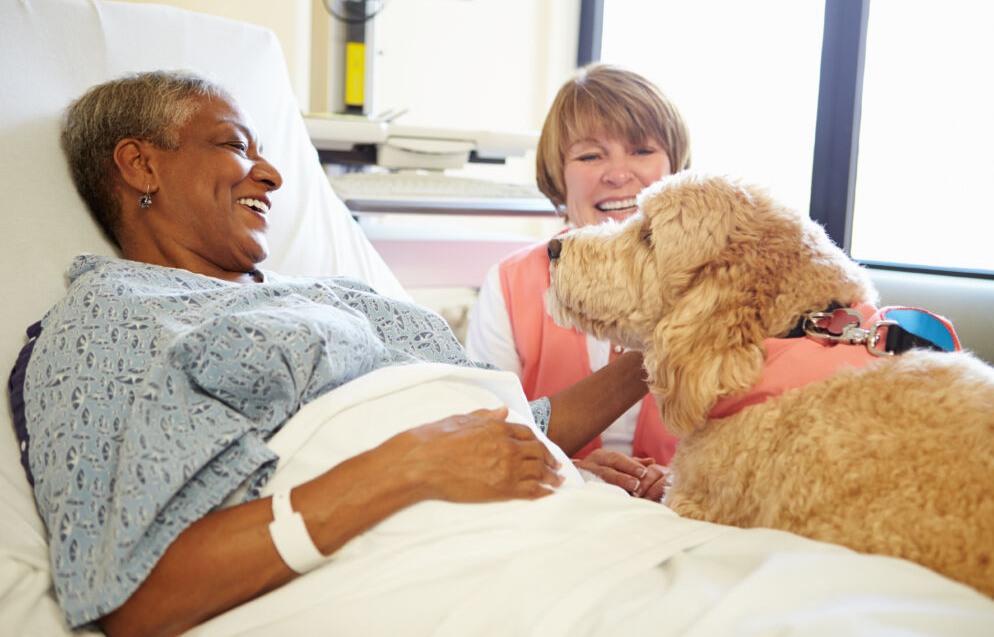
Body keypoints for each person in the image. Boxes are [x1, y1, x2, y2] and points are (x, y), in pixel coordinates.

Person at [16, 71, 664, 637]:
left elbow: (518, 426)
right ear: (140, 165)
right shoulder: (114, 313)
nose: (269, 173)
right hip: (445, 566)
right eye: (234, 146)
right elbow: (132, 597)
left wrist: (678, 335)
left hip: (569, 527)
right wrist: (408, 463)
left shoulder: (336, 293)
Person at [466, 64, 691, 492]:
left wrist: (685, 482)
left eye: (642, 150)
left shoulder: (715, 278)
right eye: (590, 156)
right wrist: (579, 473)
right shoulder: (511, 284)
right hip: (559, 507)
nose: (619, 174)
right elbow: (484, 437)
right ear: (558, 175)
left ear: (675, 165)